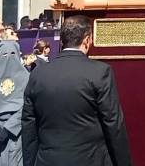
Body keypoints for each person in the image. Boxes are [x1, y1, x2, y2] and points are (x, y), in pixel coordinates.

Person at [22, 15, 131, 166]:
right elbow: (113, 123)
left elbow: (29, 126)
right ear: (87, 40)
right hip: (90, 160)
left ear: (62, 41)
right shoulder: (100, 72)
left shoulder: (38, 74)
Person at [0, 41, 29, 166]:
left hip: (15, 133)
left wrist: (9, 129)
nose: (8, 59)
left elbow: (26, 106)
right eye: (3, 55)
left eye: (12, 54)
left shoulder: (26, 78)